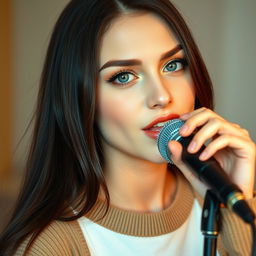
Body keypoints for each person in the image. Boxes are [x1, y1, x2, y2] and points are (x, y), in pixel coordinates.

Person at [0, 0, 255, 255]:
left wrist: (235, 206)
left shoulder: (225, 200)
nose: (162, 97)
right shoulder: (50, 246)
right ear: (78, 98)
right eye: (124, 76)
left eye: (173, 65)